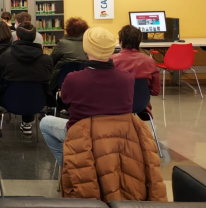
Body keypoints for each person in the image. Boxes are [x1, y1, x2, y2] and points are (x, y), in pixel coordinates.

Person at [40, 26, 135, 167]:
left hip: (83, 134)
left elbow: (65, 102)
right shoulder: (128, 78)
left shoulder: (73, 79)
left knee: (45, 123)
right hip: (117, 136)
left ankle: (67, 166)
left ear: (86, 48)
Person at [0, 23, 53, 135]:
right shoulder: (47, 60)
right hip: (37, 103)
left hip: (9, 101)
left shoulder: (5, 57)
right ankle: (27, 122)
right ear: (35, 37)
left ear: (17, 37)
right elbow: (48, 82)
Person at [112, 25, 161, 112]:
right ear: (139, 42)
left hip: (117, 105)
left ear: (120, 42)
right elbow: (155, 91)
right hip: (141, 104)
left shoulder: (112, 61)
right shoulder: (149, 61)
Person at [50, 17, 89, 91]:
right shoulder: (89, 43)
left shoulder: (62, 43)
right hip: (86, 81)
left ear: (68, 30)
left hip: (64, 80)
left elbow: (51, 60)